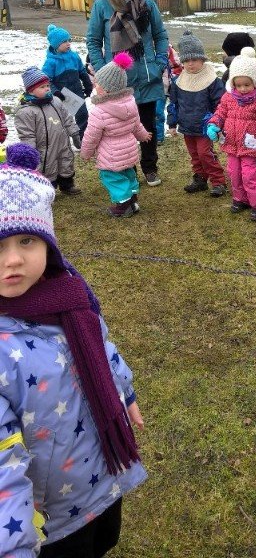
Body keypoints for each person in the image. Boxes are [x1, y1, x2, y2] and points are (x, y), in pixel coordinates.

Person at [0, 143, 146, 557]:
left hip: (100, 472)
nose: (13, 260)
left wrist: (124, 392)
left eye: (27, 240)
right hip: (50, 512)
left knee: (105, 542)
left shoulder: (69, 297)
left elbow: (101, 345)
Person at [86, 0, 169, 187]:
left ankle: (150, 167)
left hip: (147, 75)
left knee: (148, 125)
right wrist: (103, 69)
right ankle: (127, 169)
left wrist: (159, 62)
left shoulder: (147, 3)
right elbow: (93, 41)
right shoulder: (102, 5)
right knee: (121, 128)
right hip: (117, 80)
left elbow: (160, 35)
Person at [207, 46, 256, 221]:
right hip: (232, 144)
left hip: (251, 146)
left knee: (250, 175)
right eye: (238, 85)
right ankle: (241, 198)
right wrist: (214, 124)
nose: (243, 89)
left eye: (247, 84)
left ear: (255, 82)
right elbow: (220, 113)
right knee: (234, 173)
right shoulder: (228, 98)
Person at [80, 53, 152, 218]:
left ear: (106, 89)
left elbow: (91, 136)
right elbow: (136, 124)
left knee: (112, 178)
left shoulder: (99, 111)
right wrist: (143, 136)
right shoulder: (130, 103)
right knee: (128, 173)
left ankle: (123, 205)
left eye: (97, 83)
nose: (95, 85)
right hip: (129, 149)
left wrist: (86, 153)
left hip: (111, 153)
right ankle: (132, 201)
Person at [167, 31, 227, 196]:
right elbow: (174, 104)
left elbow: (220, 104)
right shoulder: (178, 81)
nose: (190, 64)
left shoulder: (212, 81)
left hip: (205, 127)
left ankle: (218, 181)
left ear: (202, 59)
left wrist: (218, 123)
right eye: (186, 60)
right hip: (187, 126)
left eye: (194, 60)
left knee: (205, 154)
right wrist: (172, 123)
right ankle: (200, 179)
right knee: (194, 155)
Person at [14, 66, 81, 194]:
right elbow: (27, 135)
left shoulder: (56, 101)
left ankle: (67, 185)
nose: (47, 89)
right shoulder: (26, 111)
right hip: (43, 148)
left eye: (47, 85)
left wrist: (74, 133)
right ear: (31, 90)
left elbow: (67, 118)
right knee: (47, 167)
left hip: (62, 143)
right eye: (42, 87)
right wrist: (30, 152)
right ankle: (47, 189)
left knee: (65, 162)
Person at [42, 23, 93, 139]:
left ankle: (82, 138)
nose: (68, 43)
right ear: (56, 44)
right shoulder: (50, 62)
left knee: (83, 114)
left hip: (77, 90)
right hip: (62, 95)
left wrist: (88, 85)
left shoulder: (74, 56)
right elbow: (46, 80)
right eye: (64, 41)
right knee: (62, 118)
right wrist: (55, 92)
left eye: (69, 40)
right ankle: (62, 137)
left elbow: (82, 71)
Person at [155, 44, 182, 145]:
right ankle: (148, 135)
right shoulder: (141, 47)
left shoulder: (166, 48)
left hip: (164, 87)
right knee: (148, 112)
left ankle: (159, 137)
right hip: (147, 87)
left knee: (158, 112)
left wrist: (173, 79)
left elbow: (177, 65)